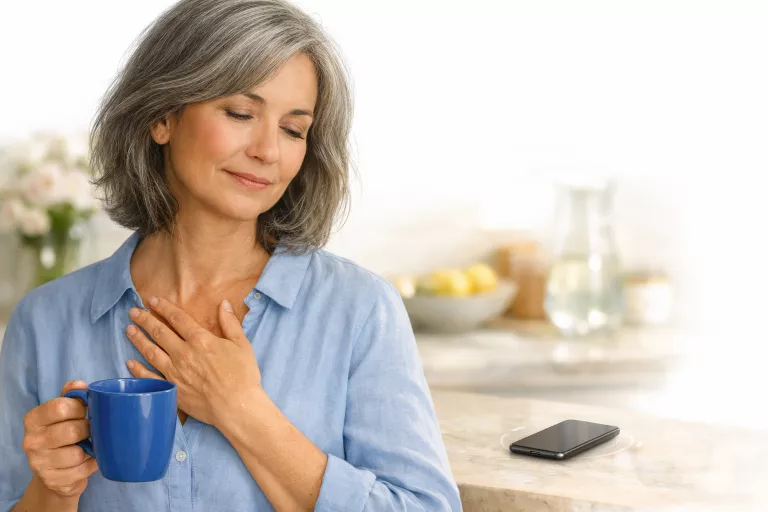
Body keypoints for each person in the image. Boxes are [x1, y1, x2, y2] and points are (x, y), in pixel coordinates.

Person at [0, 0, 462, 510]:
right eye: (241, 113)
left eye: (294, 129)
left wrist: (241, 409)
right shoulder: (43, 323)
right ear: (161, 117)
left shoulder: (360, 311)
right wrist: (54, 489)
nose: (268, 150)